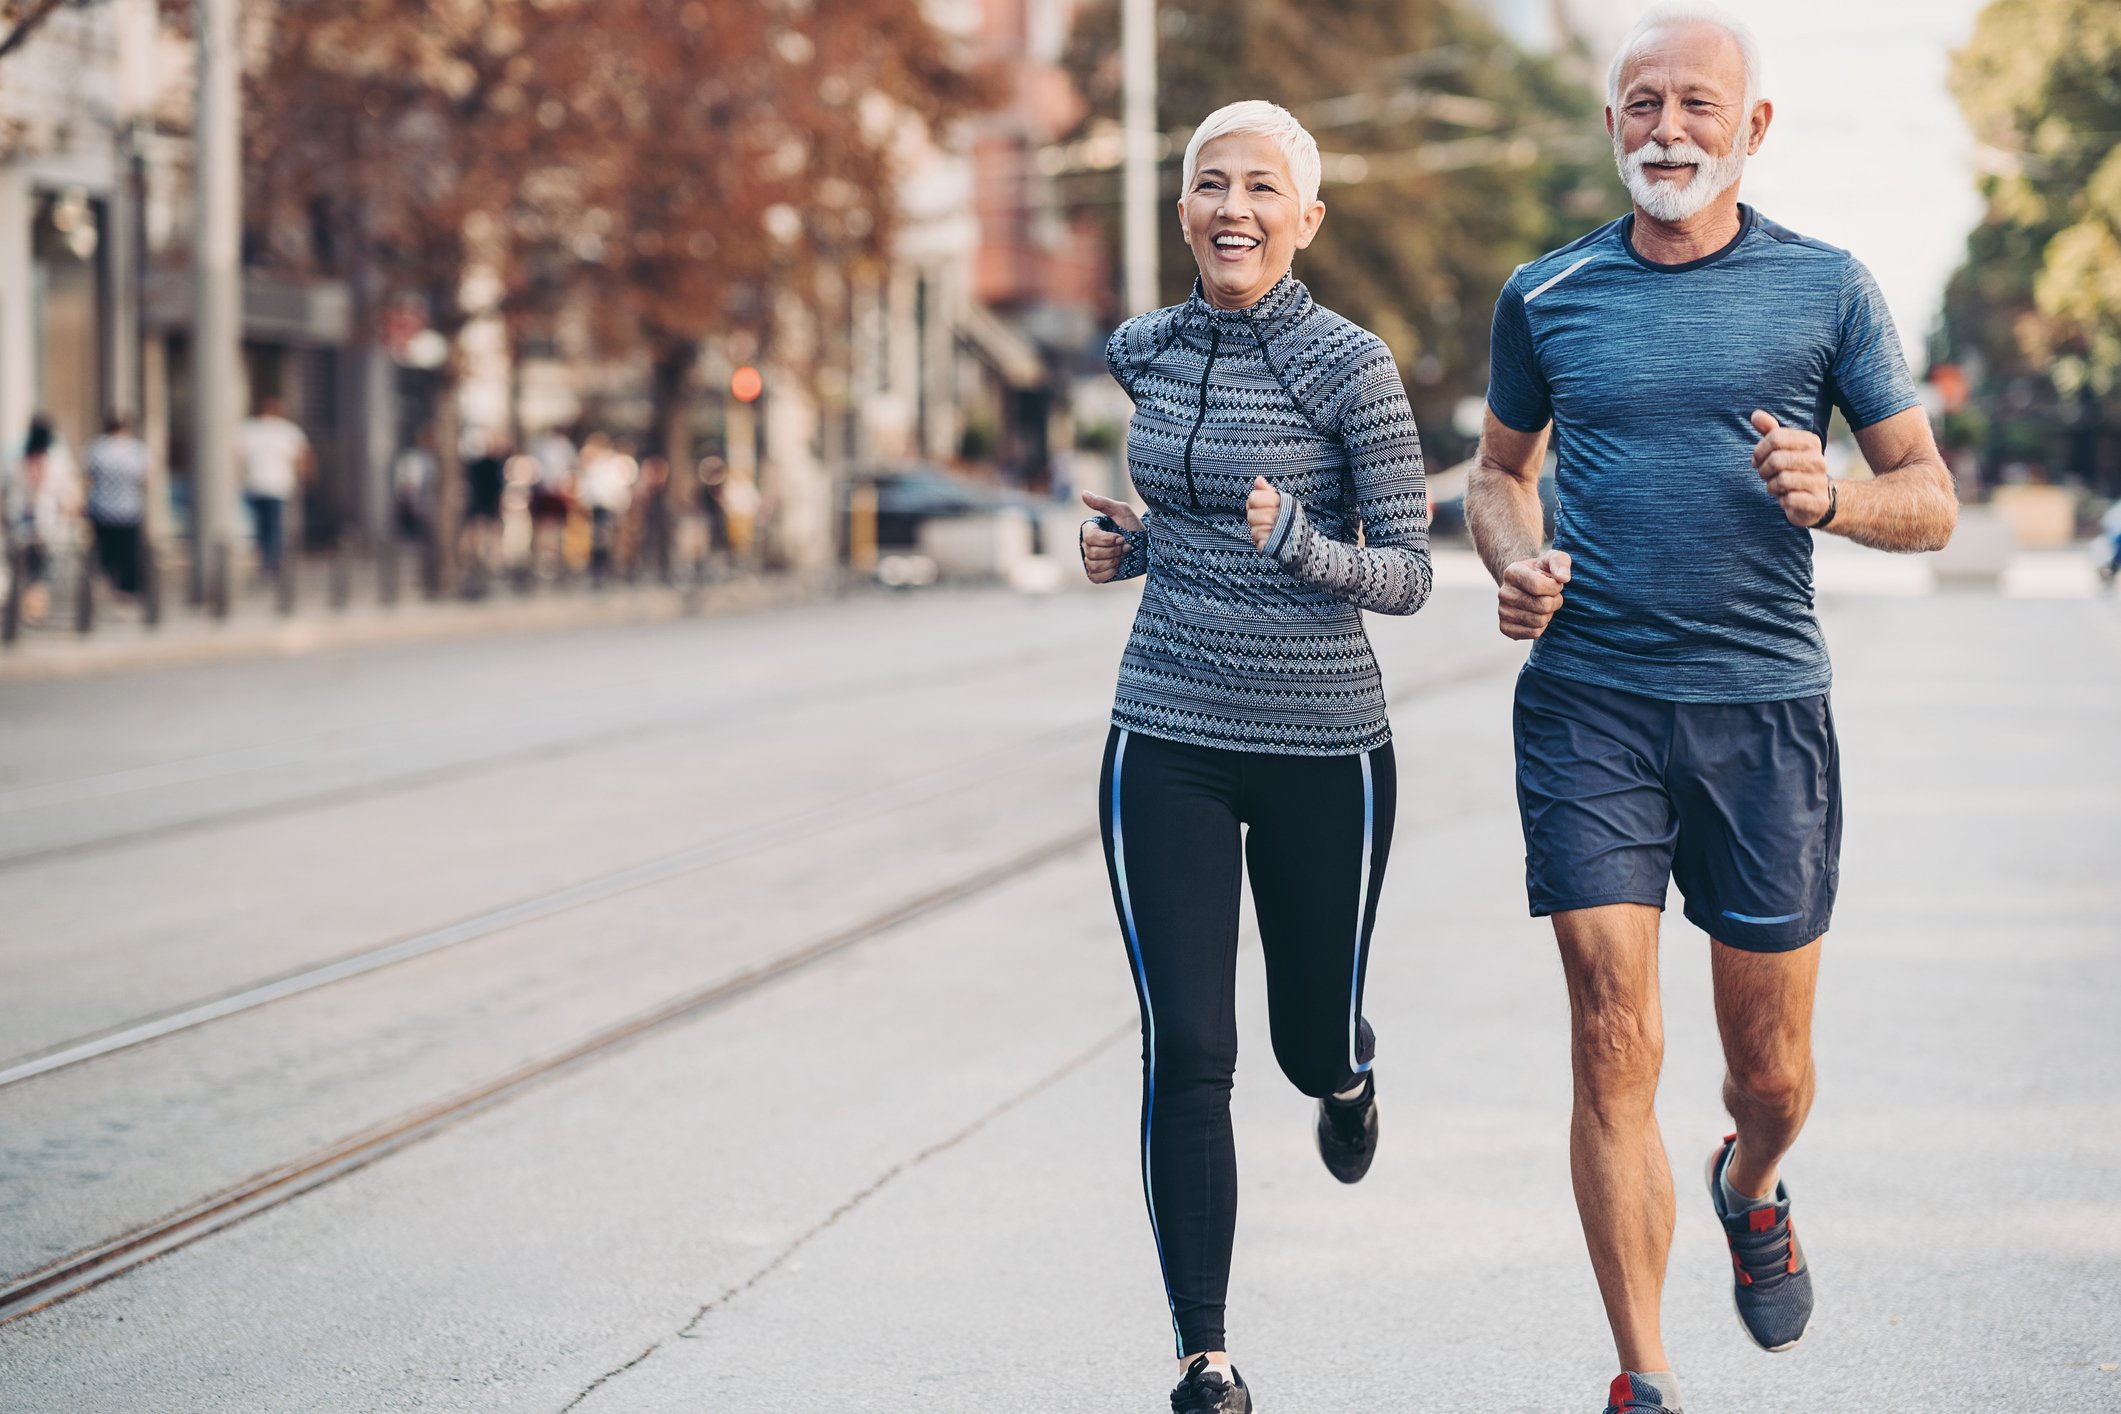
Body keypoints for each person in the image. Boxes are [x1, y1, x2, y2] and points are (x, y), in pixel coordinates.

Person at [1463, 8, 1959, 1412]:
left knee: (1772, 1071)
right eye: (1642, 103)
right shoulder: (1547, 292)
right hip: (1591, 704)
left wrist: (1837, 498)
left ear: (1752, 128)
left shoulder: (1827, 288)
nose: (1666, 128)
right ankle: (1646, 1375)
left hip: (1762, 714)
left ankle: (1752, 1180)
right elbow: (1497, 473)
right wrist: (1516, 561)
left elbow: (1929, 497)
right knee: (1612, 1030)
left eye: (1695, 103)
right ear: (1611, 123)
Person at [1081, 99, 1431, 1414]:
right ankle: (1205, 1356)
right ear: (1183, 210)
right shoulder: (1143, 351)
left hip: (1321, 745)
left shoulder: (1352, 367)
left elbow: (1408, 573)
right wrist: (1131, 544)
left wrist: (1299, 544)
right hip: (1165, 729)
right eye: (1212, 185)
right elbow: (1182, 519)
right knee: (1187, 1043)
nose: (1235, 208)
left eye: (1262, 188)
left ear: (1307, 218)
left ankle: (1347, 1074)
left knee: (1301, 1041)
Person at [4, 415, 81, 625]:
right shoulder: (57, 459)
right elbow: (69, 493)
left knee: (32, 567)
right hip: (38, 521)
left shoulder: (18, 456)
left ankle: (32, 607)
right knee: (37, 568)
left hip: (31, 520)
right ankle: (33, 607)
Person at [236, 395, 312, 582]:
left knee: (265, 526)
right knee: (271, 526)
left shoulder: (251, 429)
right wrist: (304, 477)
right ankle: (270, 562)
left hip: (261, 484)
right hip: (272, 485)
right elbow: (302, 455)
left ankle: (267, 562)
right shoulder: (285, 430)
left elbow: (238, 456)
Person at [84, 414, 151, 597]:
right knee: (128, 554)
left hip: (102, 508)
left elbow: (88, 476)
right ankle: (126, 590)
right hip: (128, 509)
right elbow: (145, 478)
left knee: (106, 553)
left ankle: (106, 584)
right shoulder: (136, 449)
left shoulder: (97, 448)